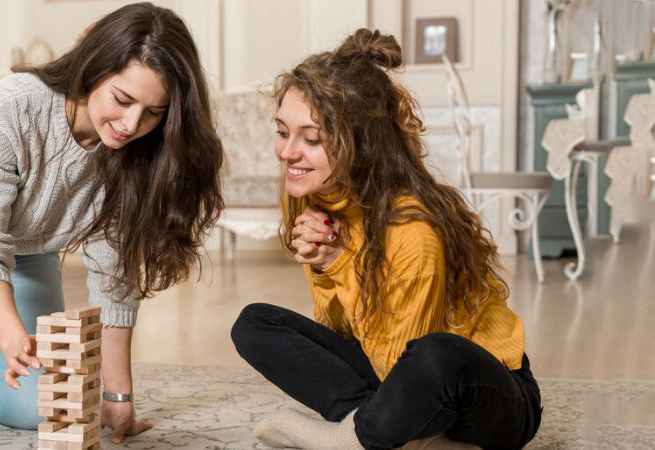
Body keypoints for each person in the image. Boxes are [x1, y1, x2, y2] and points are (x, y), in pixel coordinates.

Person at [0, 3, 223, 443]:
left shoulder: (138, 154)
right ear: (93, 65)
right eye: (122, 99)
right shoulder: (8, 109)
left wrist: (118, 396)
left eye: (154, 112)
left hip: (27, 247)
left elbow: (114, 279)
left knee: (38, 409)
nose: (132, 124)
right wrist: (11, 337)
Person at [230, 29, 541, 450]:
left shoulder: (413, 230)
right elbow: (344, 332)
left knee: (434, 356)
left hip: (487, 397)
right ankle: (407, 438)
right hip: (400, 385)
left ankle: (350, 440)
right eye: (283, 131)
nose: (288, 152)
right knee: (254, 324)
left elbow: (398, 366)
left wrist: (342, 262)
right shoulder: (313, 195)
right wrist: (325, 268)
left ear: (361, 143)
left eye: (312, 139)